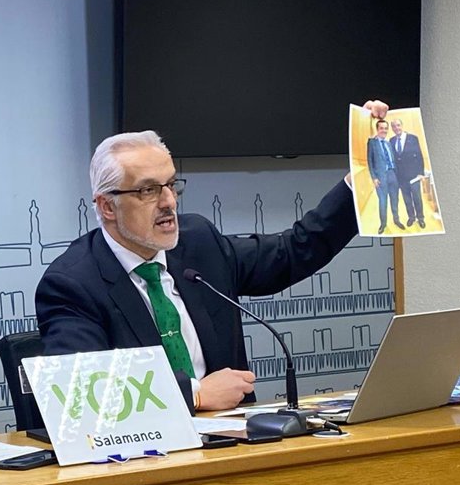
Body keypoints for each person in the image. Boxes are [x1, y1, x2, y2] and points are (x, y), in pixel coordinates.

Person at [35, 102, 382, 413]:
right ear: (107, 206)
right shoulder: (73, 284)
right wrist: (195, 395)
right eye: (148, 190)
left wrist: (360, 179)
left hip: (233, 445)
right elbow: (82, 393)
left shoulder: (198, 243)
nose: (169, 202)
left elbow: (293, 252)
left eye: (172, 185)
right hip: (147, 455)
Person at [366, 119, 404, 234]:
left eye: (386, 128)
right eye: (381, 128)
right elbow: (370, 161)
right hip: (381, 177)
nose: (384, 130)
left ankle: (396, 220)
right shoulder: (372, 143)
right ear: (377, 129)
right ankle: (383, 224)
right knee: (383, 201)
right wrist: (374, 178)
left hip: (393, 175)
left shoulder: (388, 143)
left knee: (395, 199)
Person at [391, 117, 426, 229]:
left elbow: (419, 156)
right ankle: (411, 217)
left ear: (402, 126)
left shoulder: (413, 138)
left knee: (417, 198)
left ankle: (420, 218)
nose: (396, 128)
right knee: (407, 199)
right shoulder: (391, 141)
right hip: (401, 177)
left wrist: (421, 173)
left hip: (414, 175)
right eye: (394, 126)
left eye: (398, 125)